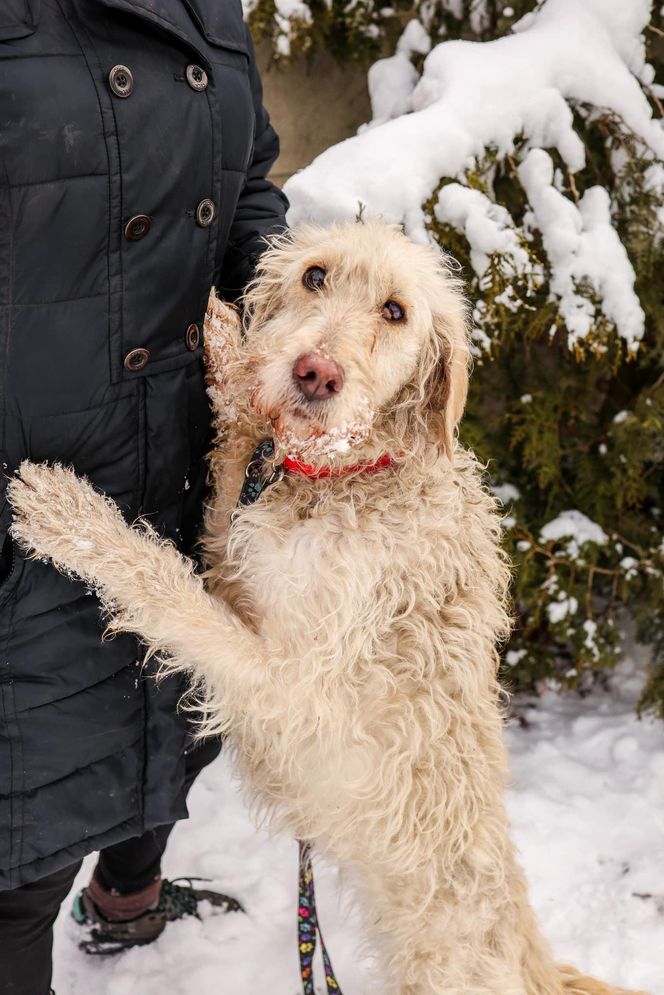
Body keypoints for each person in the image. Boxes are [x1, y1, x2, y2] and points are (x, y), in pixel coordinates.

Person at [0, 2, 288, 993]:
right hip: (30, 488)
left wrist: (293, 331)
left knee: (173, 722)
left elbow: (247, 182)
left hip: (175, 463)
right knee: (20, 849)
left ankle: (129, 893)